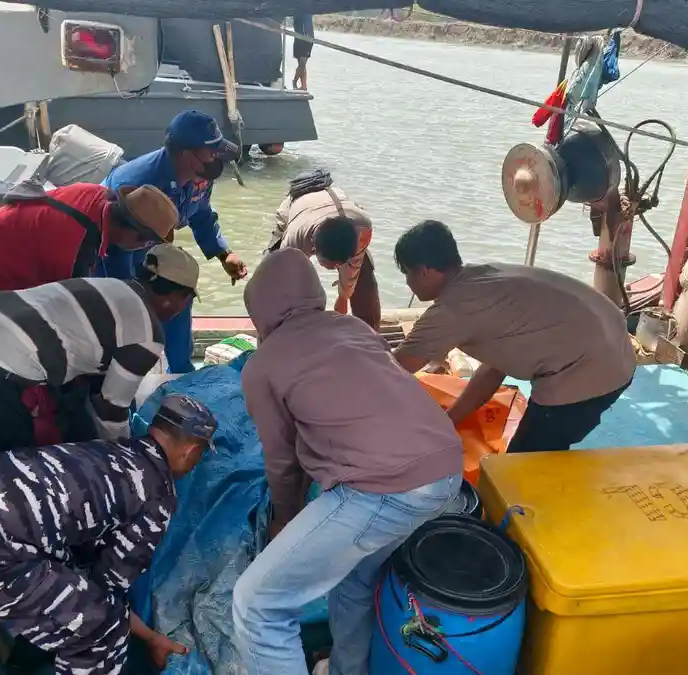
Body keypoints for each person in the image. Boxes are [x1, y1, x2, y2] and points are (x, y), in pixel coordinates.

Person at [232, 248, 464, 675]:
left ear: (258, 307)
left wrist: (284, 518)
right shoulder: (352, 326)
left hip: (386, 488)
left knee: (258, 604)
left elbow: (283, 460)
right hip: (448, 471)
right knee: (355, 578)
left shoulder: (262, 365)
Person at [0, 394, 218, 675]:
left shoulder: (108, 449)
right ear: (191, 451)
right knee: (103, 630)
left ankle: (30, 646)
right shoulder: (157, 494)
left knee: (62, 575)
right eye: (201, 454)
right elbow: (107, 586)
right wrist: (144, 635)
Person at [392, 220, 636, 452]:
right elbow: (494, 370)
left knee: (521, 465)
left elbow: (392, 371)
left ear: (424, 271)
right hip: (619, 350)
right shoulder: (484, 276)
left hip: (587, 370)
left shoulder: (453, 309)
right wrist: (448, 422)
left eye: (407, 273)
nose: (408, 282)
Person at [0, 243, 201, 459]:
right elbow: (110, 409)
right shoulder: (147, 334)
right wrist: (124, 457)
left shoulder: (111, 286)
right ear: (176, 298)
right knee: (13, 469)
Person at [102, 110, 249, 375]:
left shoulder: (200, 176)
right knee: (126, 316)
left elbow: (201, 214)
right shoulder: (138, 184)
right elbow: (117, 244)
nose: (216, 156)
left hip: (151, 246)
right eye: (211, 151)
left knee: (179, 290)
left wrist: (223, 253)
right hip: (111, 252)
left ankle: (180, 371)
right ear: (187, 155)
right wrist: (130, 296)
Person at [0, 182, 178, 298]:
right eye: (148, 242)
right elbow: (64, 310)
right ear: (137, 237)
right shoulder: (76, 249)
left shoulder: (98, 194)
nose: (144, 247)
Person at [269, 169, 381, 329]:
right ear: (314, 246)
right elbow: (286, 280)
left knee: (363, 272)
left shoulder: (362, 229)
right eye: (329, 264)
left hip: (337, 204)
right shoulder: (296, 238)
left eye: (339, 264)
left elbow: (352, 269)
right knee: (274, 275)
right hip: (298, 206)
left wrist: (343, 298)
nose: (335, 268)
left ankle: (369, 330)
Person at [292, 14, 314, 90]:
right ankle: (298, 83)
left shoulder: (308, 11)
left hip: (309, 38)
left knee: (302, 64)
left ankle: (302, 85)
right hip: (300, 38)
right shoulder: (297, 11)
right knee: (302, 64)